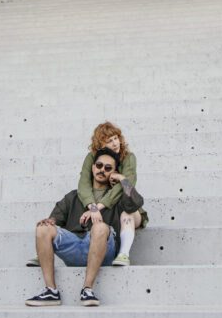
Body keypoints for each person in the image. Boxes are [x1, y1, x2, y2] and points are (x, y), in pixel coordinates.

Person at [26, 147, 145, 306]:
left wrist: (123, 179)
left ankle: (87, 289)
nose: (102, 170)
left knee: (100, 227)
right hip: (74, 246)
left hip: (104, 250)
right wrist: (49, 222)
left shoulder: (115, 198)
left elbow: (135, 203)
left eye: (108, 168)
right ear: (93, 166)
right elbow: (55, 218)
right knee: (42, 228)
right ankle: (51, 291)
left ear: (113, 172)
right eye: (99, 165)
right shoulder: (74, 196)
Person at [77, 121, 147, 266]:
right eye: (109, 141)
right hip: (106, 208)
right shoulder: (92, 158)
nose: (115, 143)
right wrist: (93, 207)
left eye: (116, 138)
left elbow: (128, 187)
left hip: (128, 205)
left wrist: (121, 178)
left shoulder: (128, 157)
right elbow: (83, 184)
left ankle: (123, 254)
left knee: (127, 212)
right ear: (100, 145)